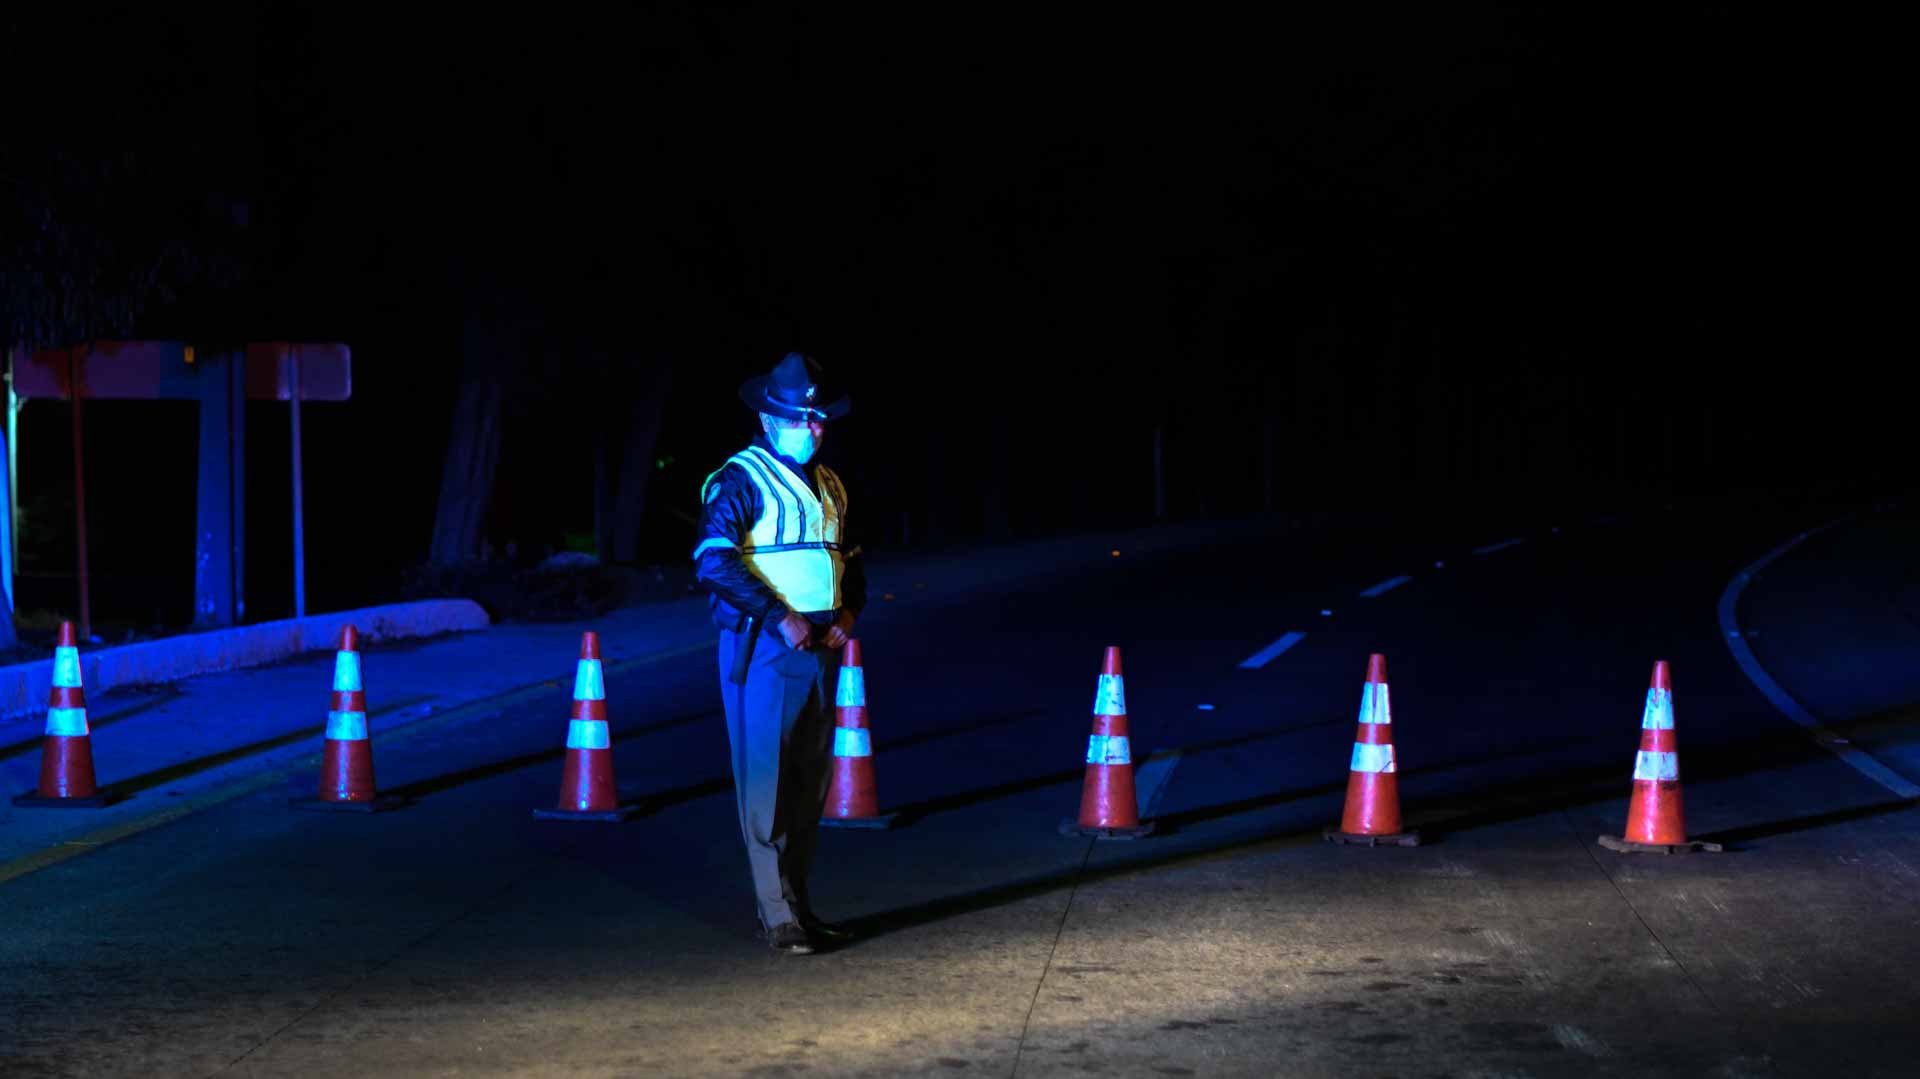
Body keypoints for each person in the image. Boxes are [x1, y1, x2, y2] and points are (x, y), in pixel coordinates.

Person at [691, 351, 866, 955]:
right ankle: (776, 915)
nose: (812, 429)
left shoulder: (832, 485)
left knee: (807, 785)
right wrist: (778, 615)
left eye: (818, 419)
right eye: (800, 419)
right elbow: (712, 560)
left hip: (820, 646)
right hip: (763, 646)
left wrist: (847, 614)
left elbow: (850, 560)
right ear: (768, 419)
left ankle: (800, 906)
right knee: (765, 783)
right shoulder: (739, 479)